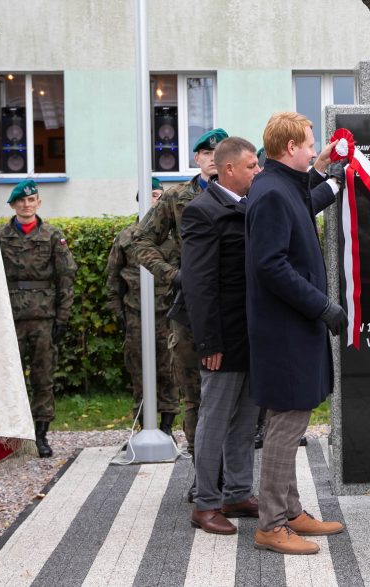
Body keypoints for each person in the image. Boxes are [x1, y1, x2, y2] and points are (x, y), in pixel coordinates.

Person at [245, 111, 345, 555]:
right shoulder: (270, 192)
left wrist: (321, 170)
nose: (313, 149)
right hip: (284, 332)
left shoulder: (281, 184)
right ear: (290, 148)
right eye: (309, 144)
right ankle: (271, 525)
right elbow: (270, 265)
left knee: (290, 420)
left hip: (292, 328)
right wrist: (321, 305)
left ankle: (290, 510)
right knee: (285, 428)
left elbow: (304, 201)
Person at [132, 127, 227, 500]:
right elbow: (140, 239)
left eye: (219, 152)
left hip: (234, 307)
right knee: (195, 396)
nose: (212, 158)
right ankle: (203, 476)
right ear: (197, 158)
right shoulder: (175, 198)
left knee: (237, 398)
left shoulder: (244, 190)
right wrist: (172, 274)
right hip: (191, 311)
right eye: (206, 153)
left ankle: (234, 478)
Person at [179, 137, 264, 534]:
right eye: (251, 166)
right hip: (222, 338)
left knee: (245, 420)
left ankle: (237, 493)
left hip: (248, 333)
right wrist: (209, 341)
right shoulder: (202, 211)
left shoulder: (247, 204)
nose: (258, 171)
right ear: (229, 169)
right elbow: (198, 284)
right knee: (214, 420)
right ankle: (206, 504)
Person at [0, 179, 77, 458]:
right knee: (11, 379)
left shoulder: (53, 236)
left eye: (31, 200)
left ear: (38, 203)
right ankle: (14, 436)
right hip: (11, 318)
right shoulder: (0, 236)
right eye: (21, 201)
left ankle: (41, 435)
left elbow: (66, 278)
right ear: (13, 205)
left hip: (44, 319)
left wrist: (62, 319)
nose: (26, 205)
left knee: (43, 377)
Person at [106, 178, 180, 434]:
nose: (153, 200)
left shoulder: (174, 236)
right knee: (138, 370)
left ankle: (167, 428)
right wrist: (119, 313)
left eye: (157, 194)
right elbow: (114, 277)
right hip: (136, 313)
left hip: (168, 314)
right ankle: (144, 426)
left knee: (169, 370)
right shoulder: (126, 236)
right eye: (148, 195)